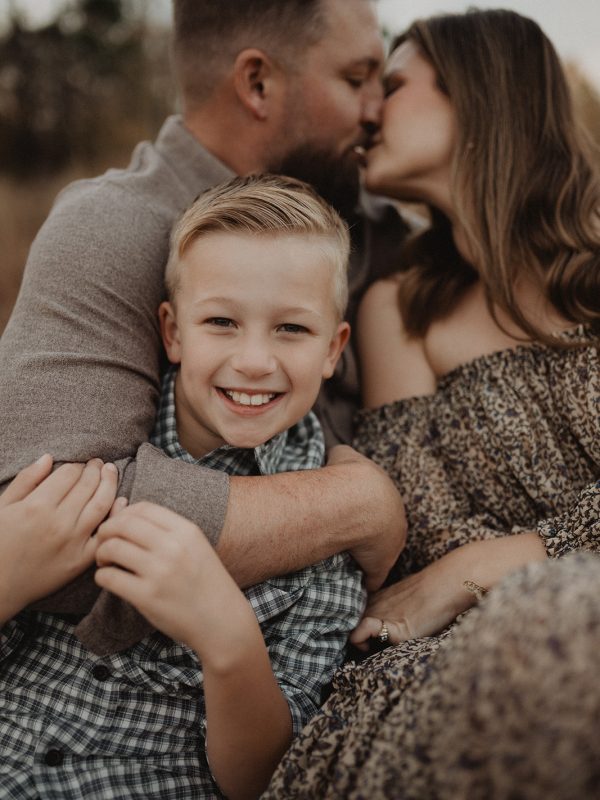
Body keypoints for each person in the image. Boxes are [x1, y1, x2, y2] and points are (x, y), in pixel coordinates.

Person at [0, 0, 407, 656]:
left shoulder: (380, 229)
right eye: (356, 78)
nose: (375, 109)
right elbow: (51, 523)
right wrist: (356, 504)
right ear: (256, 83)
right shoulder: (112, 227)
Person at [264, 9, 600, 798]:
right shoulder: (398, 308)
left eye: (396, 81)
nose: (370, 106)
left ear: (479, 96)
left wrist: (498, 560)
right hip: (475, 652)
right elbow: (423, 533)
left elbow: (459, 564)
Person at [0, 175, 366, 798]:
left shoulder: (329, 534)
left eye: (291, 330)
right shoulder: (93, 434)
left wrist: (226, 637)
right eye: (221, 321)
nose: (254, 360)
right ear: (172, 331)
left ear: (333, 349)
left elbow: (259, 779)